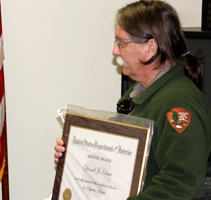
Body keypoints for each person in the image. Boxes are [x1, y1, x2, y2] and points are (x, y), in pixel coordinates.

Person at [54, 0, 211, 199]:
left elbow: (182, 185)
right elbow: (118, 158)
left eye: (122, 43)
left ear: (150, 48)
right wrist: (76, 153)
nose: (115, 51)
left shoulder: (179, 105)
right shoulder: (138, 95)